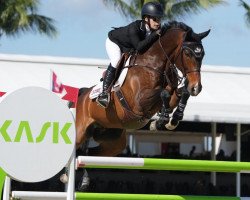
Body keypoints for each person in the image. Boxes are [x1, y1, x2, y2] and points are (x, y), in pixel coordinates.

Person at [96, 1, 164, 108]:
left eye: (159, 19)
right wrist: (155, 35)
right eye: (155, 19)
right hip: (115, 42)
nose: (158, 22)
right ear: (146, 19)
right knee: (116, 60)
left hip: (129, 47)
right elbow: (139, 47)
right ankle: (104, 93)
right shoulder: (135, 28)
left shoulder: (153, 31)